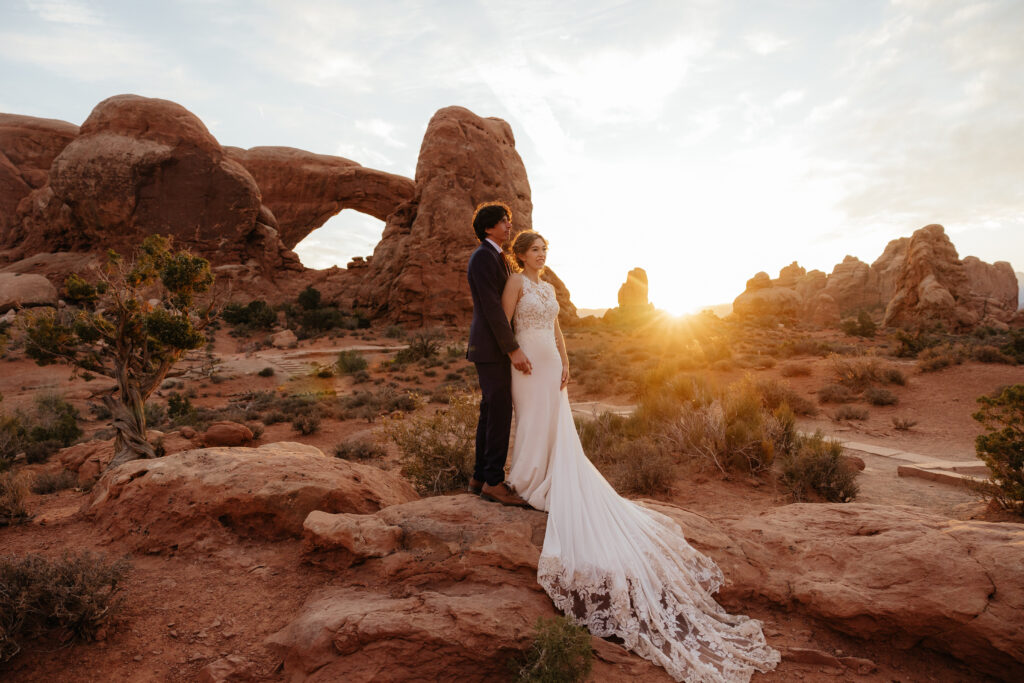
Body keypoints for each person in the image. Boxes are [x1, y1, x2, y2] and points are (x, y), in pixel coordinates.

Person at [502, 230, 780, 682]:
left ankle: (546, 474)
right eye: (536, 250)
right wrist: (513, 356)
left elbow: (556, 328)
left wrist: (567, 360)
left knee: (555, 422)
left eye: (545, 249)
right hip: (526, 361)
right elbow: (505, 322)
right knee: (531, 420)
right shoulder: (516, 283)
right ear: (521, 254)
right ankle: (529, 475)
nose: (542, 255)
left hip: (550, 359)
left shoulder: (549, 287)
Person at [466, 201, 532, 507]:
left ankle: (480, 476)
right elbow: (492, 308)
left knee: (491, 410)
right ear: (489, 226)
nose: (509, 225)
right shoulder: (483, 257)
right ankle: (493, 481)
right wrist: (513, 348)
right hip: (491, 348)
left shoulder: (498, 257)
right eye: (505, 221)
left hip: (492, 347)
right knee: (500, 409)